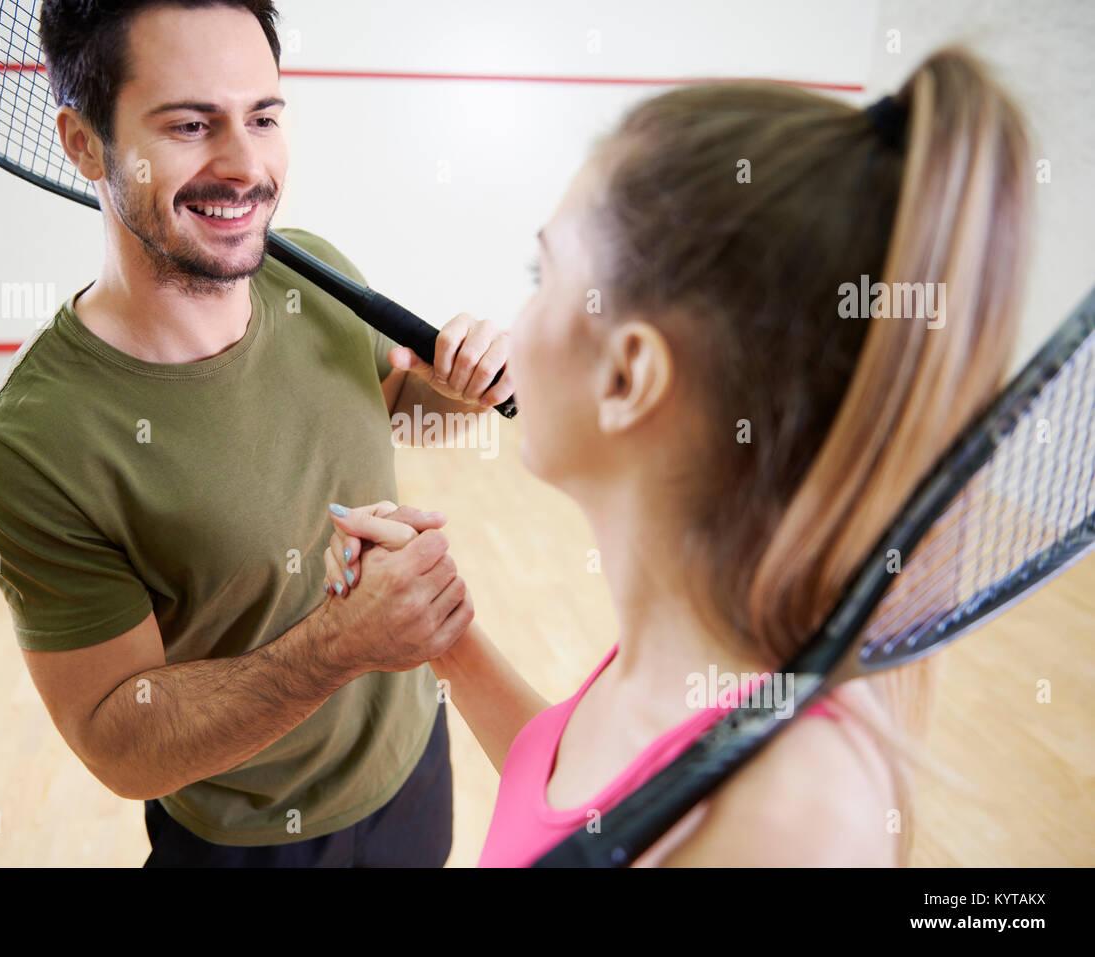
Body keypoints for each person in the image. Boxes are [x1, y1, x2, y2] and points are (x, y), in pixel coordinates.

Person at [325, 45, 1033, 866]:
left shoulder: (790, 817)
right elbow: (580, 813)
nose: (511, 324)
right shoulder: (692, 644)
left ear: (629, 374)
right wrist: (449, 637)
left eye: (541, 273)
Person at [0, 0, 514, 867]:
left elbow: (399, 405)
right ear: (83, 143)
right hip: (250, 840)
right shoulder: (28, 445)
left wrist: (466, 389)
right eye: (190, 123)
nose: (247, 166)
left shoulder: (316, 267)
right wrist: (340, 645)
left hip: (412, 766)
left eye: (263, 116)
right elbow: (120, 741)